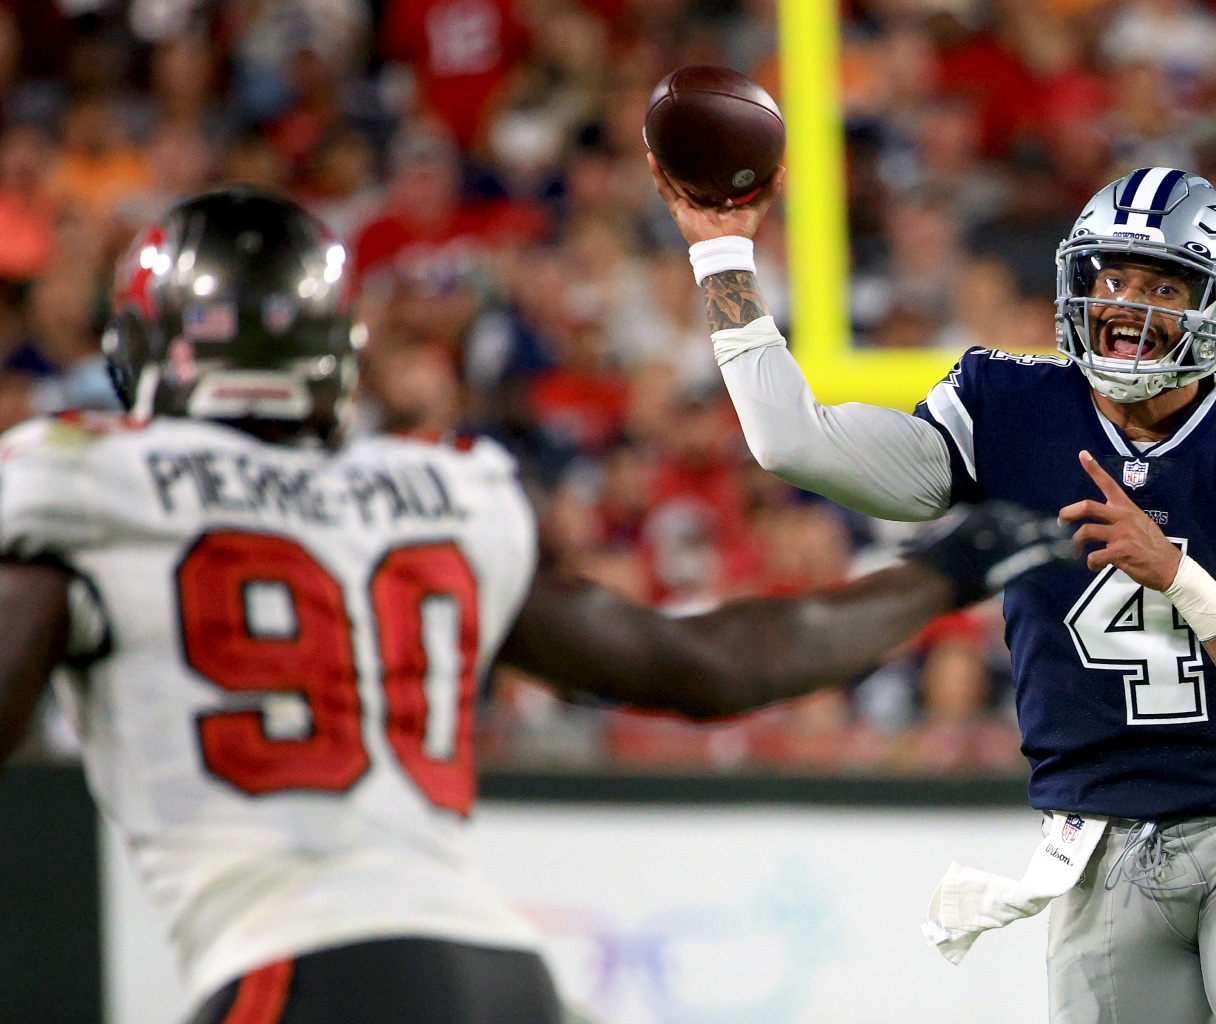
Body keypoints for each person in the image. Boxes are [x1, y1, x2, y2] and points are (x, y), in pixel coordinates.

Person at [0, 189, 1075, 1024]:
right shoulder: (431, 490)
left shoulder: (87, 481)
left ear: (139, 354)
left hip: (297, 970)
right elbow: (710, 669)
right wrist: (947, 569)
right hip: (502, 976)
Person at [653, 159, 1216, 1023]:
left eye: (1162, 285)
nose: (1127, 307)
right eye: (1114, 277)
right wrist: (722, 252)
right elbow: (792, 444)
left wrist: (1177, 574)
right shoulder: (1008, 406)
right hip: (1092, 850)